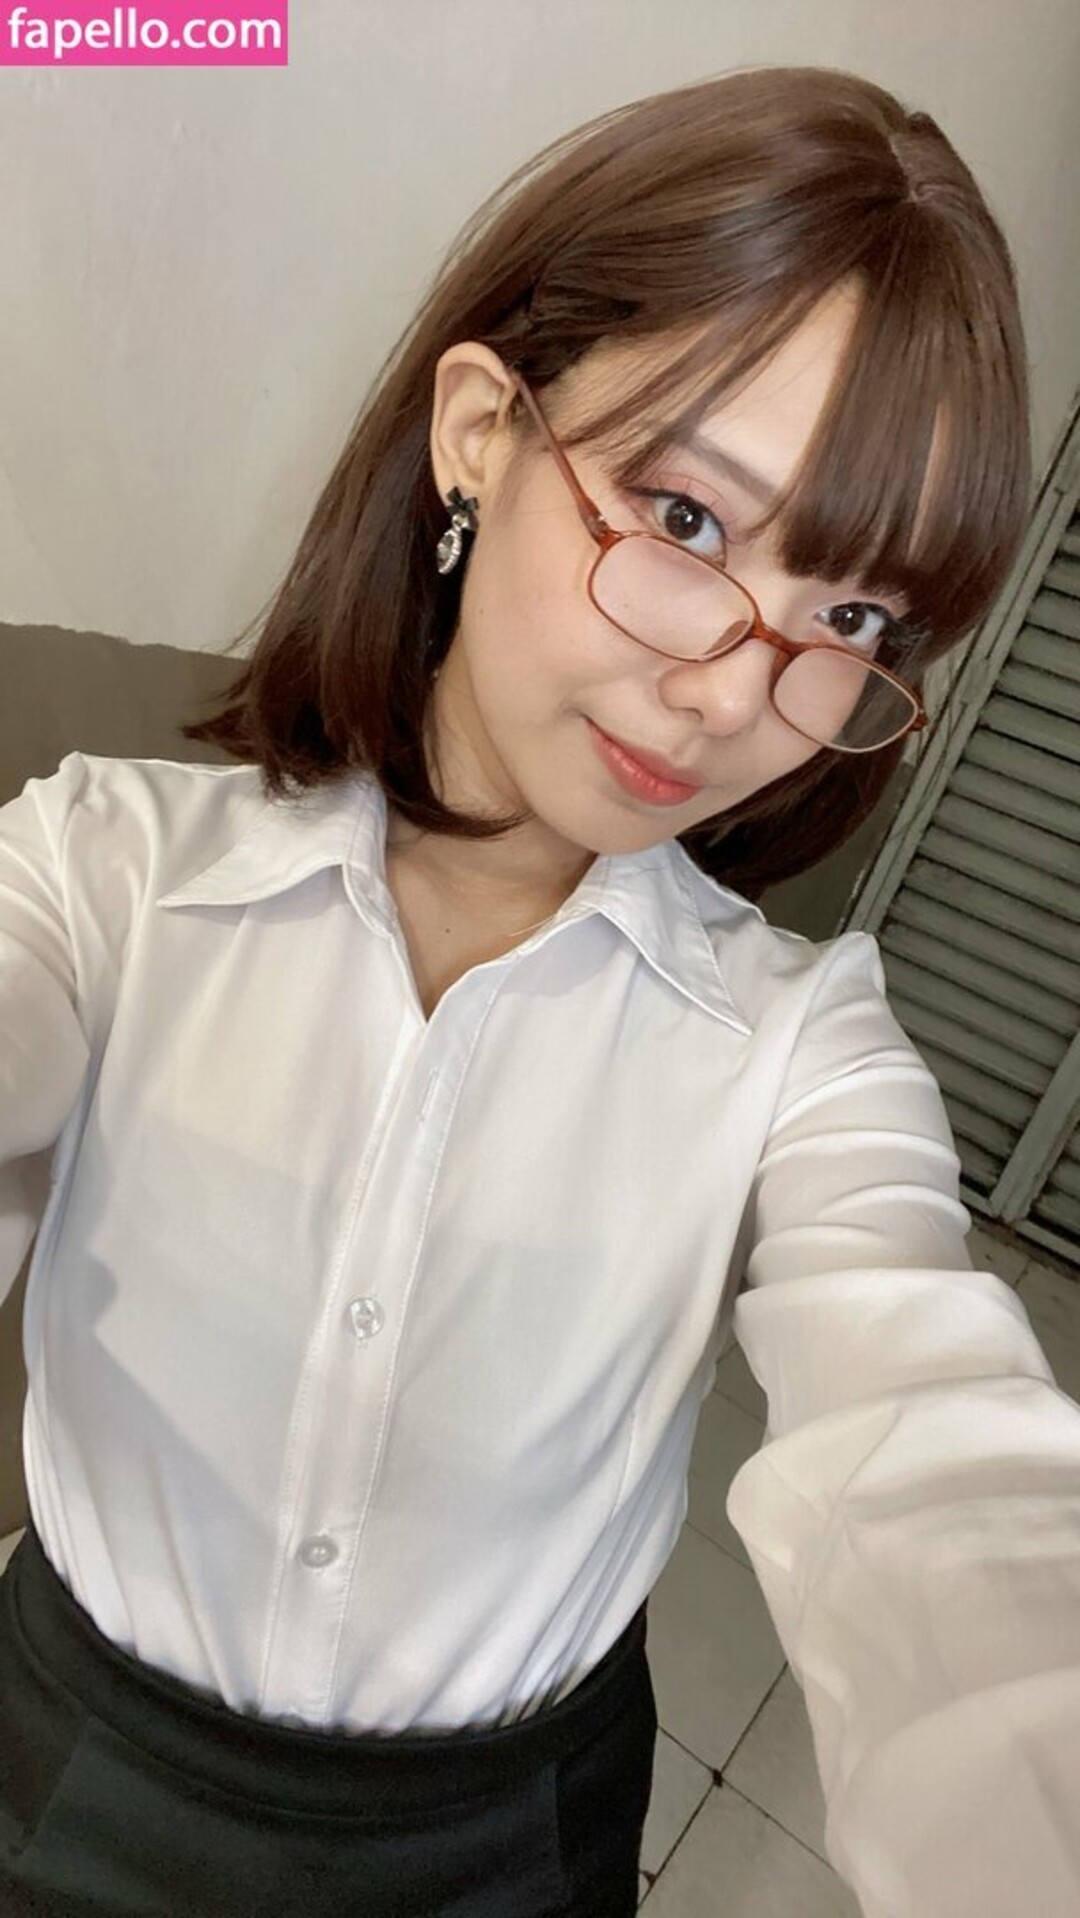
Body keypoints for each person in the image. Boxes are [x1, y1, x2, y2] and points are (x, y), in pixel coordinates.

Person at [0, 60, 1077, 1918]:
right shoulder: (103, 873)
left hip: (516, 1844)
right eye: (687, 520)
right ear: (483, 432)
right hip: (73, 1768)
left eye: (854, 618)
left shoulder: (797, 1046)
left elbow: (929, 1435)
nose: (735, 690)